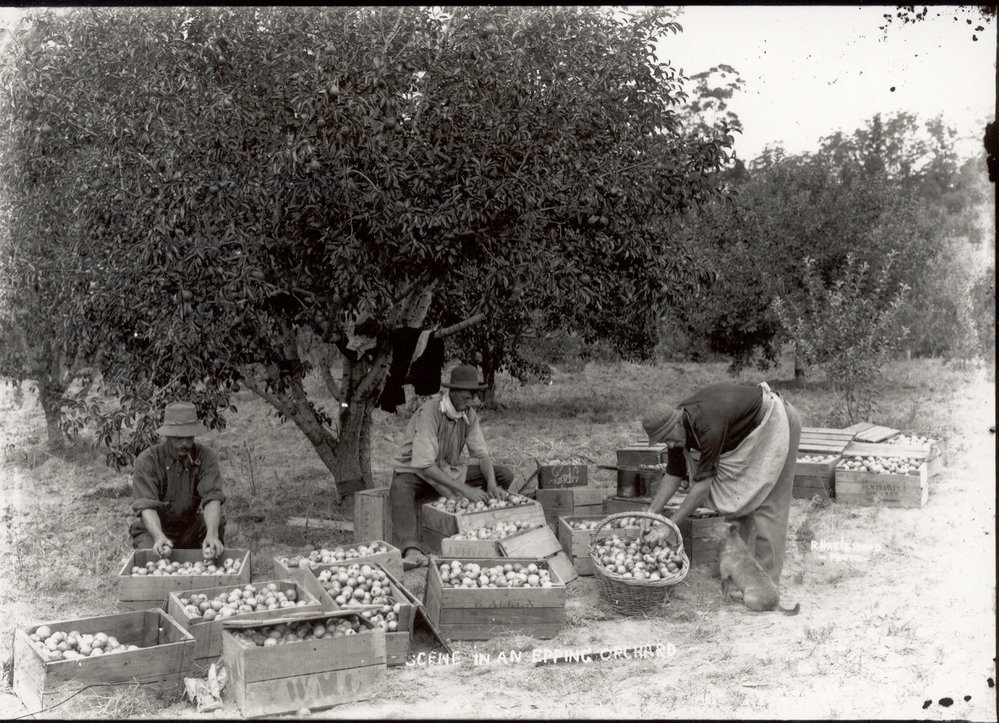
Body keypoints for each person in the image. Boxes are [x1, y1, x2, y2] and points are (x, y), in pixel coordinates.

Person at [640, 381, 801, 583]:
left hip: (775, 423)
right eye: (664, 441)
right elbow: (674, 473)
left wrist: (670, 525)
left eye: (668, 438)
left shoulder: (708, 426)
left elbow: (701, 489)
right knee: (739, 501)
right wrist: (651, 511)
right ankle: (734, 571)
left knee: (769, 504)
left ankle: (765, 582)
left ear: (677, 423)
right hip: (748, 437)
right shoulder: (677, 422)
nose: (670, 445)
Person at [389, 364, 515, 569]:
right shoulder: (430, 412)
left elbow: (482, 454)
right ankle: (411, 549)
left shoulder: (469, 415)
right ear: (452, 392)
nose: (469, 403)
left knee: (504, 475)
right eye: (465, 398)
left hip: (448, 471)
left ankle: (487, 521)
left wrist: (491, 484)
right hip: (417, 473)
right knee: (400, 487)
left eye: (471, 398)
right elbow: (425, 465)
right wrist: (465, 489)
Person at [130, 401, 226, 558]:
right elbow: (147, 506)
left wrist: (212, 533)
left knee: (216, 525)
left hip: (188, 527)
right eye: (178, 438)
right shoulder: (148, 460)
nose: (185, 444)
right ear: (167, 435)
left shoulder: (205, 457)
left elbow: (212, 498)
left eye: (189, 438)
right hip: (155, 528)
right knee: (152, 566)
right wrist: (158, 536)